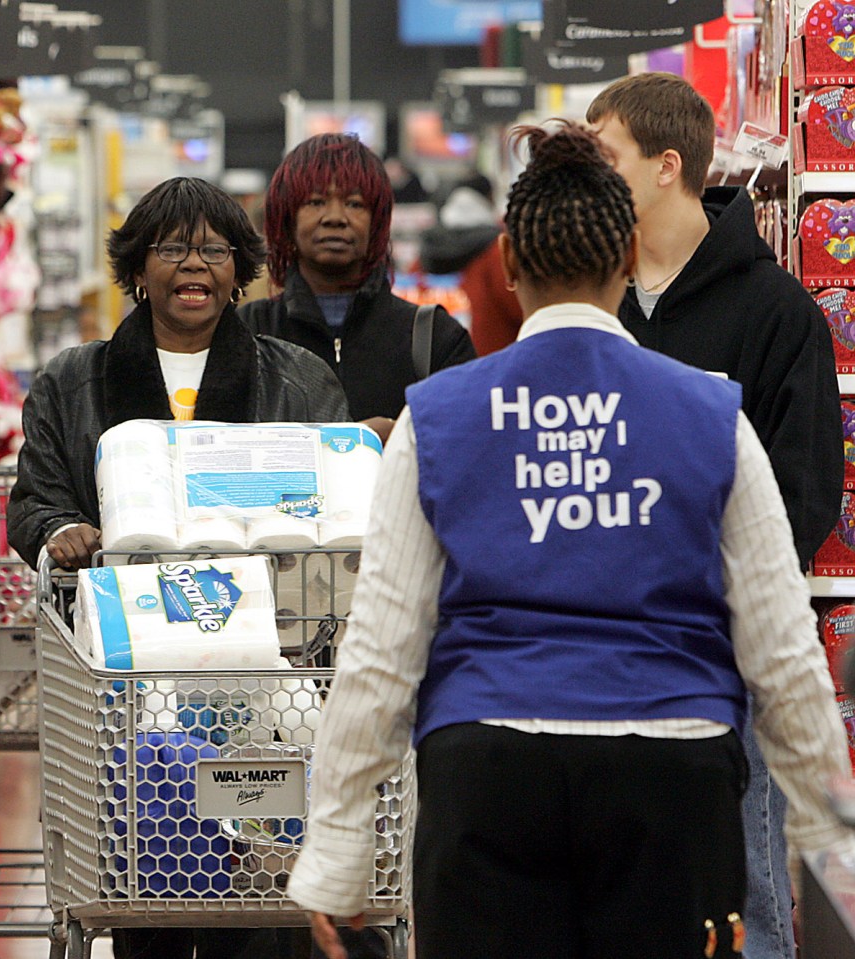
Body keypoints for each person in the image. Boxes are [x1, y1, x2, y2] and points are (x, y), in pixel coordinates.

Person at [287, 122, 854, 959]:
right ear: (628, 254)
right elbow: (779, 643)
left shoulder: (435, 418)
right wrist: (829, 836)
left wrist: (335, 848)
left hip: (485, 771)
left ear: (509, 266)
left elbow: (381, 650)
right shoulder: (709, 414)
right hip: (671, 774)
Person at [587, 72, 844, 959]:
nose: (588, 175)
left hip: (727, 663)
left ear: (666, 167)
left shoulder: (777, 312)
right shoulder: (592, 309)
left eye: (604, 155)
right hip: (596, 661)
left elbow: (803, 494)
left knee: (745, 897)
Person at [9, 175, 350, 577]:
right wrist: (62, 529)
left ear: (238, 273)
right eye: (171, 249)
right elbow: (34, 500)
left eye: (214, 250)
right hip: (111, 619)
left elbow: (341, 503)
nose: (194, 262)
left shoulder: (300, 378)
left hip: (271, 620)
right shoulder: (69, 381)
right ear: (138, 271)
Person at [239, 133, 474, 443]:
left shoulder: (435, 338)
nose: (335, 217)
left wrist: (407, 443)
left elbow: (466, 446)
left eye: (354, 203)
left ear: (377, 222)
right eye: (316, 202)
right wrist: (355, 441)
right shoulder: (248, 333)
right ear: (287, 218)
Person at [418, 172, 523, 355]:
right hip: (491, 363)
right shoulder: (497, 252)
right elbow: (519, 311)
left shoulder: (428, 250)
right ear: (490, 199)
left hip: (434, 365)